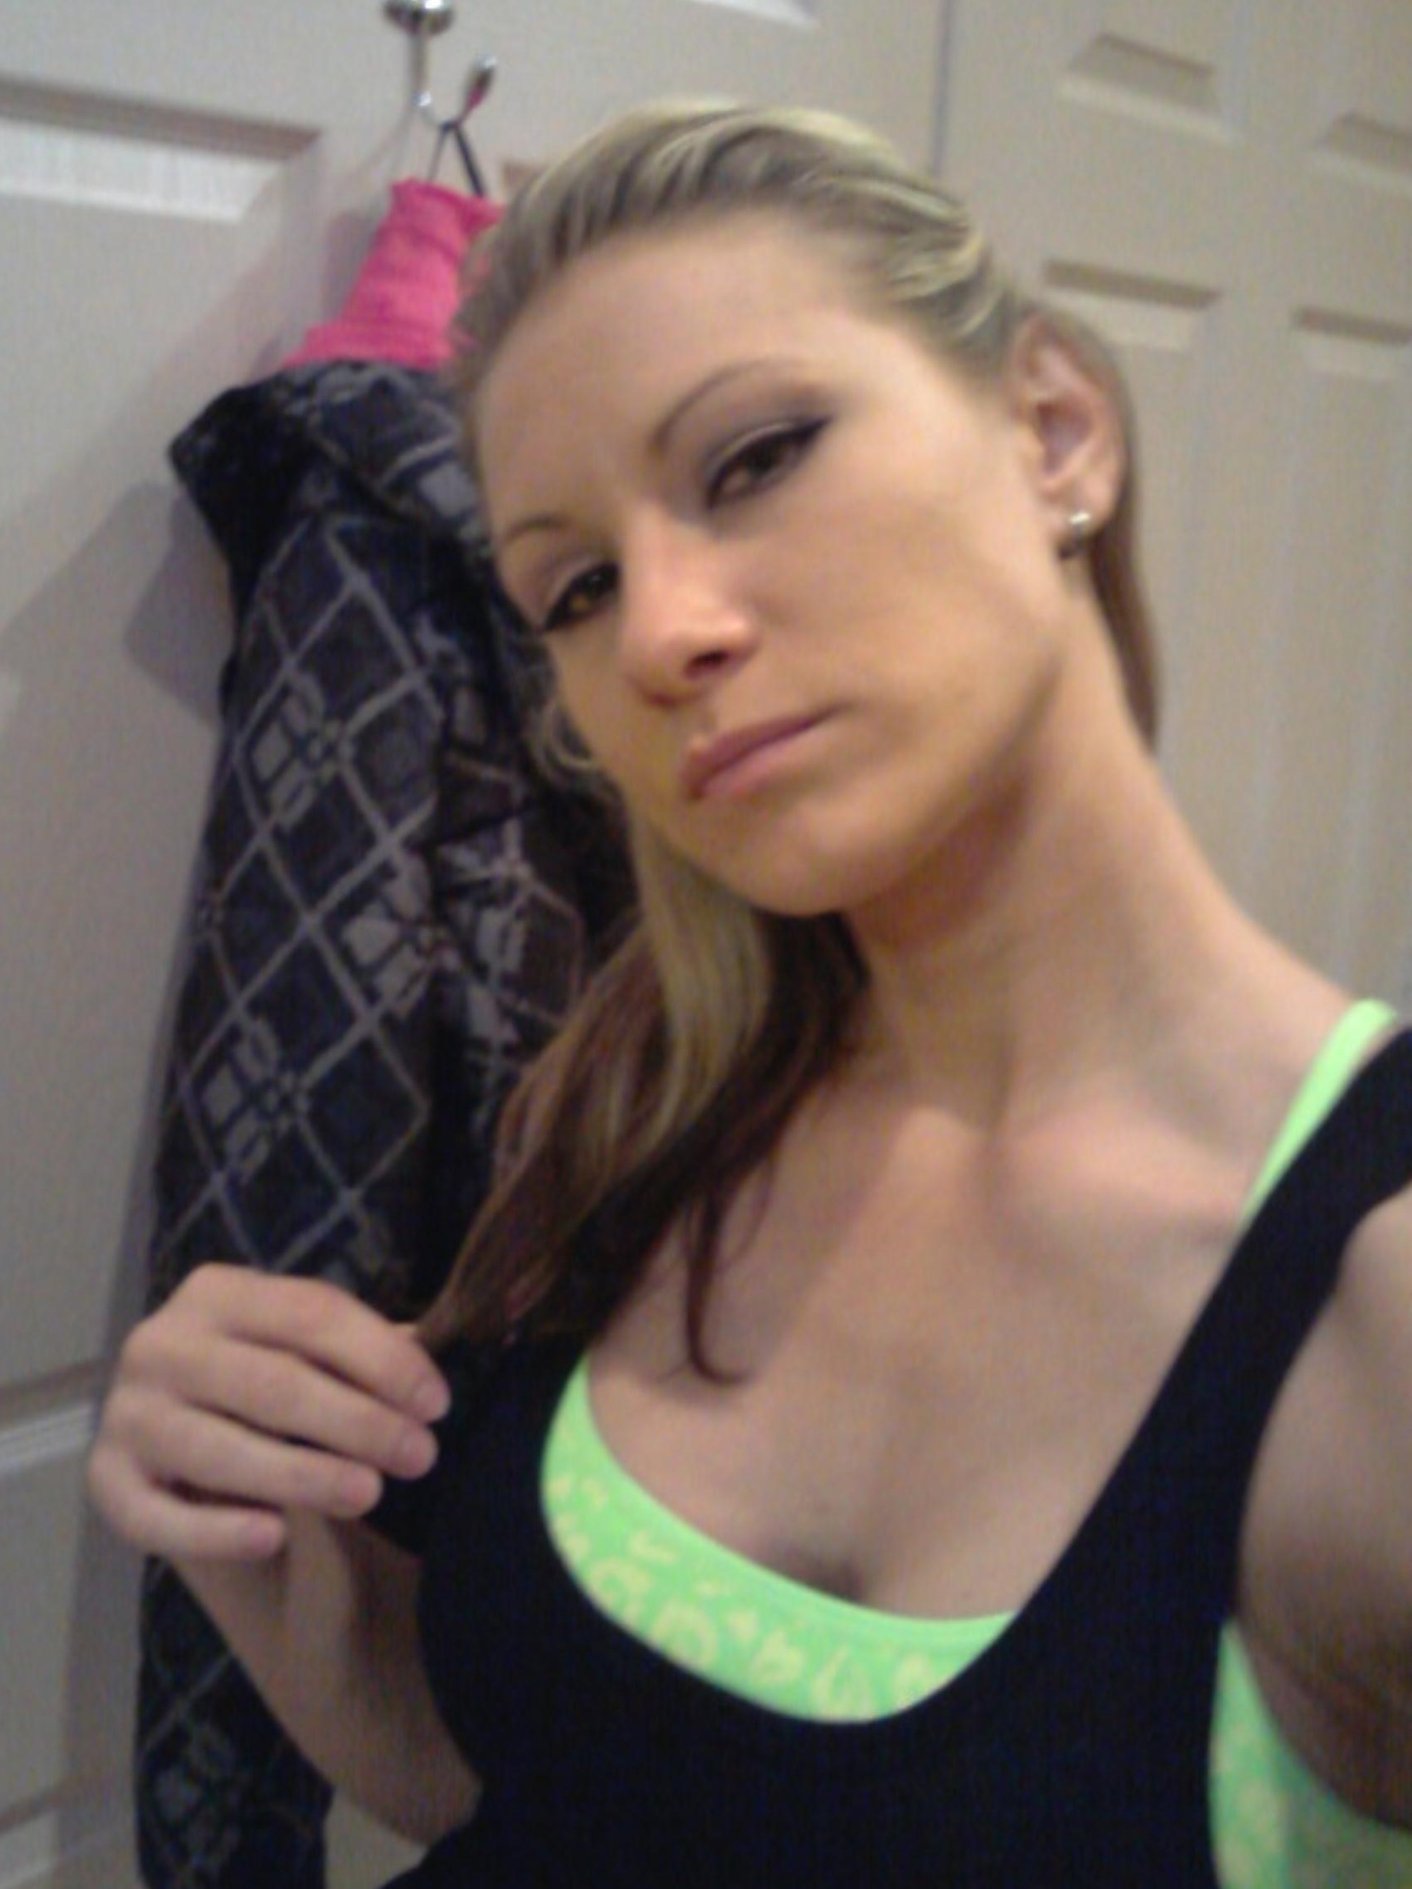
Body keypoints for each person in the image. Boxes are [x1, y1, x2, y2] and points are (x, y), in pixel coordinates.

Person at [88, 102, 1412, 1887]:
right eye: (575, 584)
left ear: (1053, 428)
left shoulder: (1371, 1311)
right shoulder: (636, 1097)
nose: (659, 634)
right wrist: (281, 1568)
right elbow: (522, 1787)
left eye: (757, 457)